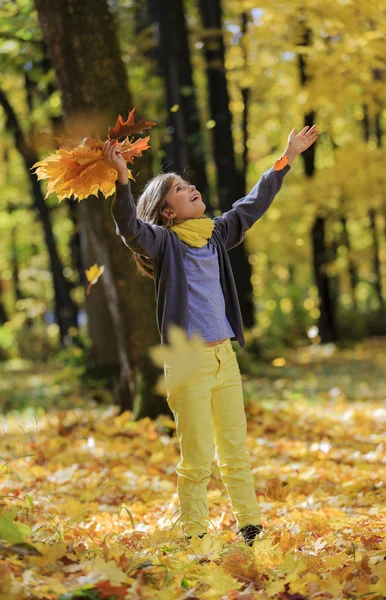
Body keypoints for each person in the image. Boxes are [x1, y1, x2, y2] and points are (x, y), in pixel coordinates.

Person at [103, 124, 319, 546]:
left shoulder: (216, 234)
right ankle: (195, 536)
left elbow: (251, 205)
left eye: (188, 184)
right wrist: (122, 180)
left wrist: (286, 157)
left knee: (235, 451)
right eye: (181, 189)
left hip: (225, 359)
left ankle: (251, 529)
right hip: (187, 364)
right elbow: (129, 227)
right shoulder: (163, 243)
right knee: (198, 458)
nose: (191, 187)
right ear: (167, 211)